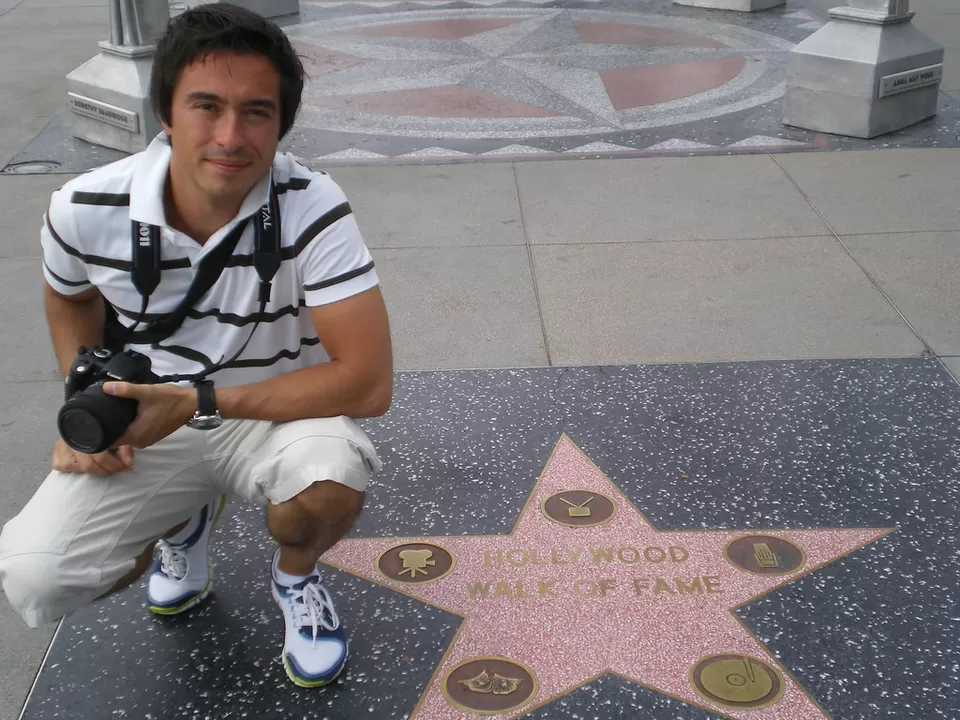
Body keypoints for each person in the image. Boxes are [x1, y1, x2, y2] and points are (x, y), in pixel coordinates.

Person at [0, 3, 393, 689]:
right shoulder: (84, 206)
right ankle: (182, 523)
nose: (230, 137)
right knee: (39, 574)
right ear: (165, 112)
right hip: (152, 415)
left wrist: (200, 401)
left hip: (278, 410)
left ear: (282, 124)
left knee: (329, 484)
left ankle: (296, 578)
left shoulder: (311, 204)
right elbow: (69, 295)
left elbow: (368, 383)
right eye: (206, 106)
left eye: (257, 112)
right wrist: (84, 396)